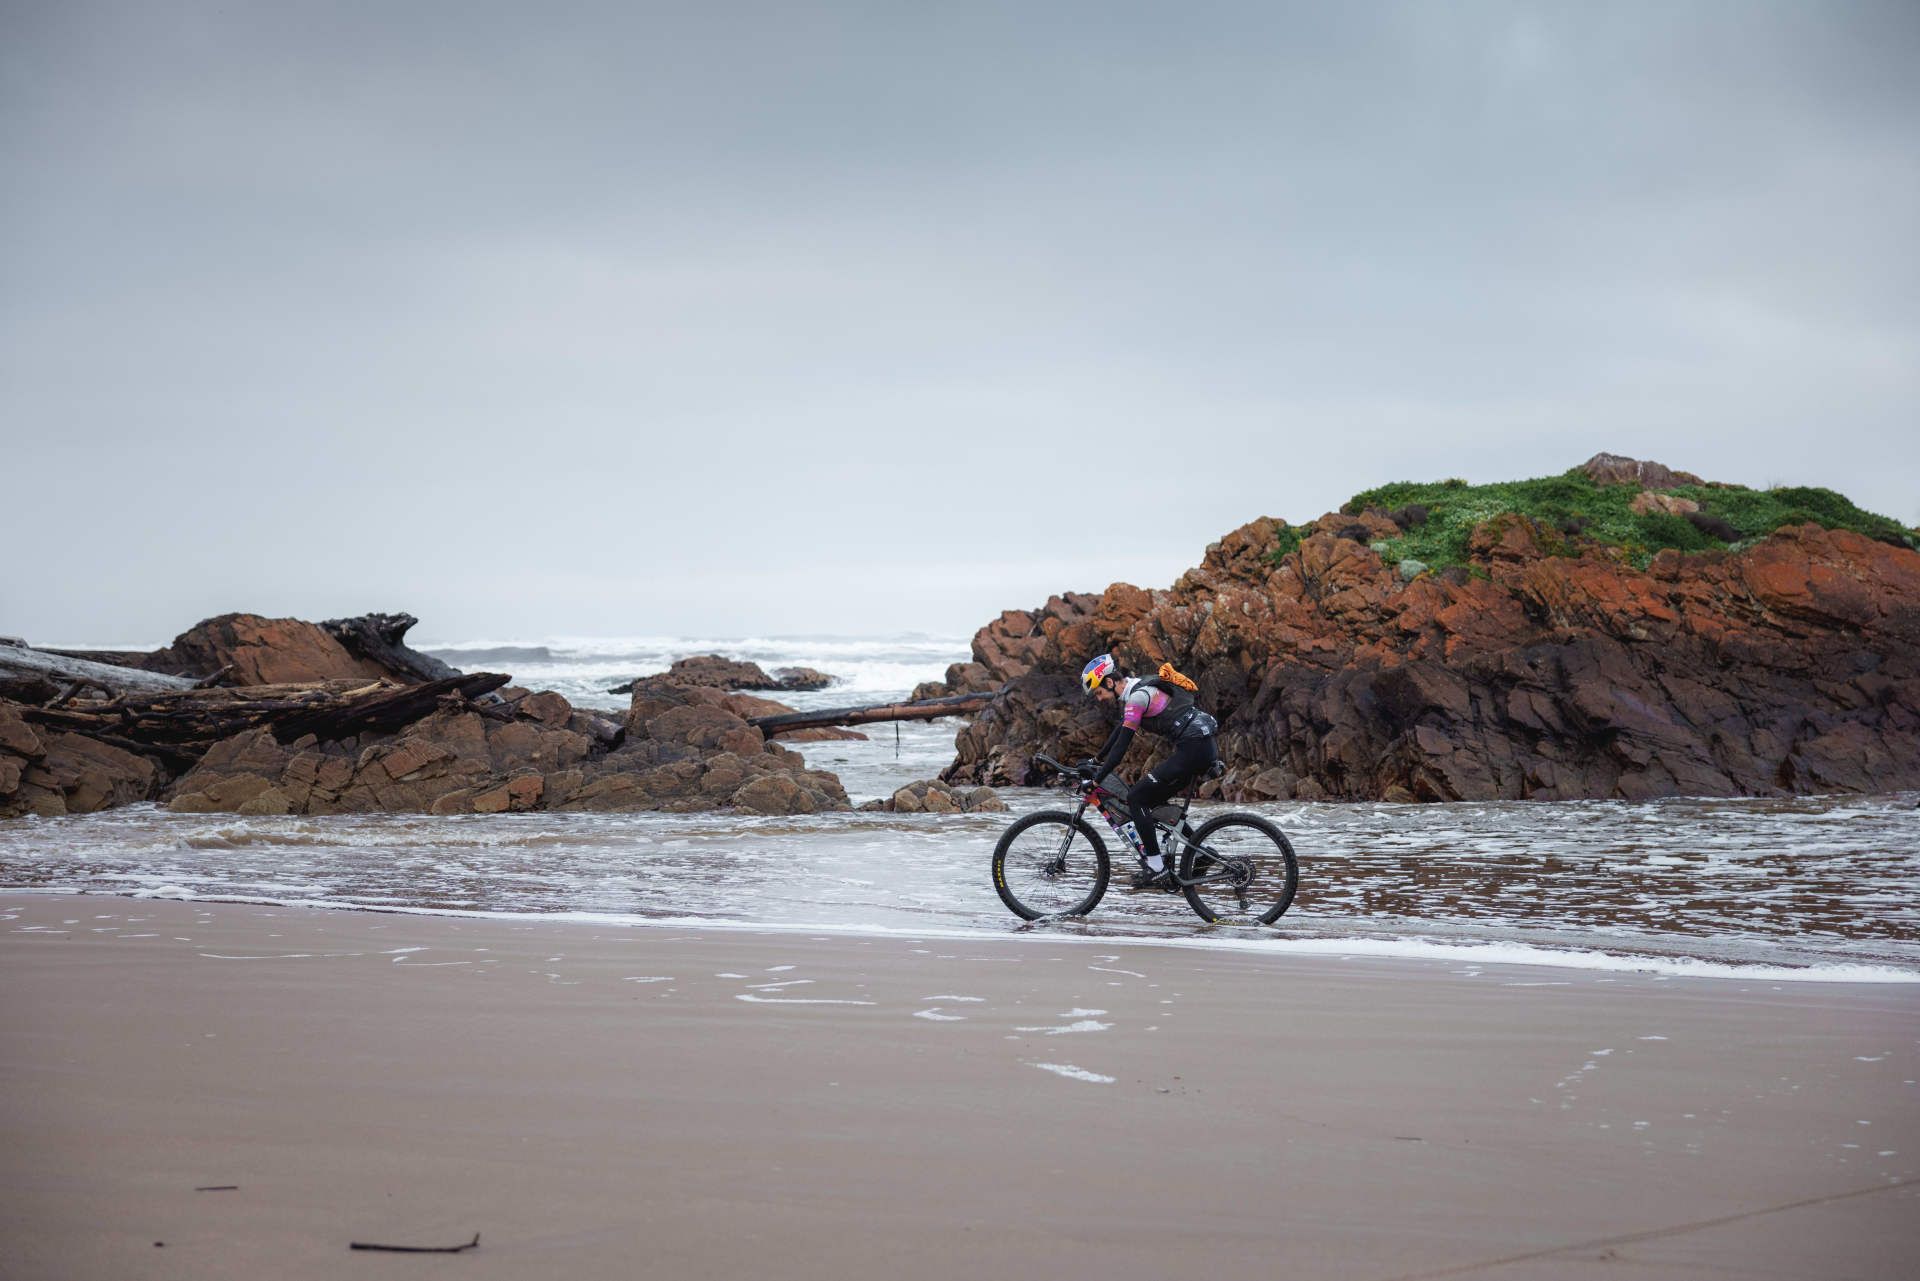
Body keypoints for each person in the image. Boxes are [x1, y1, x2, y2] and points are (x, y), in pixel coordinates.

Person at [1077, 652, 1219, 889]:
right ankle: (1201, 851)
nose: (1099, 699)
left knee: (1137, 798)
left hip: (1194, 749)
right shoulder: (1138, 687)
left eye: (1099, 693)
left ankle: (1156, 868)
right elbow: (1119, 731)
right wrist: (1096, 759)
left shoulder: (1137, 698)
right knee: (1152, 801)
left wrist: (1096, 780)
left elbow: (1122, 747)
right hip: (1199, 746)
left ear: (1110, 682)